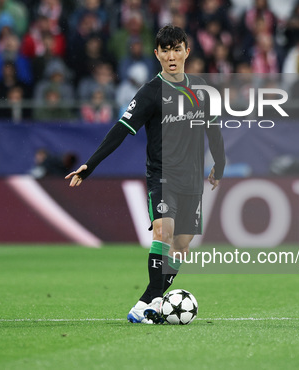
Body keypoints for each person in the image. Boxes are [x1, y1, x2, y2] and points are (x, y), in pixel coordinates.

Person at [65, 25, 226, 324]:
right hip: (162, 175)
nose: (171, 55)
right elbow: (120, 130)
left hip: (192, 179)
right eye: (165, 50)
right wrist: (92, 163)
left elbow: (213, 129)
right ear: (157, 54)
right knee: (164, 231)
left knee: (182, 245)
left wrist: (220, 163)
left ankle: (145, 304)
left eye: (177, 48)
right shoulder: (150, 93)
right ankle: (154, 302)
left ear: (187, 51)